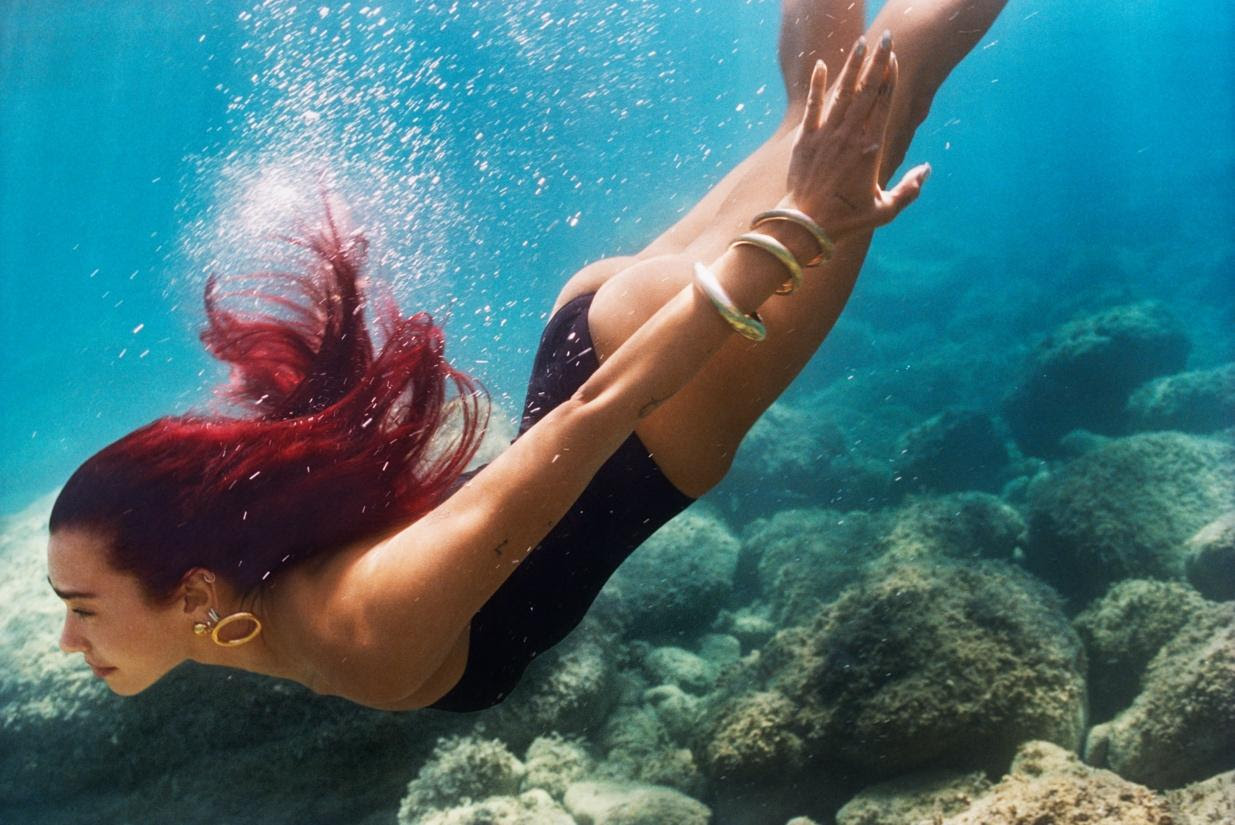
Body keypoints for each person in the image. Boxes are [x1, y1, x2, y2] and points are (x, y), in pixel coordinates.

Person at [46, 0, 1006, 712]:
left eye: (82, 607)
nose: (65, 640)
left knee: (895, 84)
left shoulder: (360, 636)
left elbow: (594, 423)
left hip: (661, 387)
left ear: (195, 590)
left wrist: (792, 231)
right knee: (818, 109)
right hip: (601, 336)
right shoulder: (259, 571)